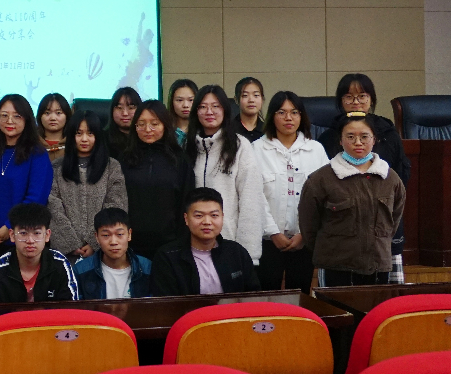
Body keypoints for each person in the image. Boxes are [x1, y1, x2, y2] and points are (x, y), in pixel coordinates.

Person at [317, 73, 411, 284]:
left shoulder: (388, 133)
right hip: (341, 231)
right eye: (349, 97)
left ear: (371, 99)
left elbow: (400, 181)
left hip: (382, 226)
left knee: (386, 296)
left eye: (362, 96)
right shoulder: (328, 137)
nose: (356, 102)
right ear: (340, 101)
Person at [300, 112, 406, 287]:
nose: (358, 142)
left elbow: (393, 222)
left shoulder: (390, 178)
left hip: (378, 265)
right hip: (336, 267)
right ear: (340, 141)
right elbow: (309, 228)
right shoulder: (321, 179)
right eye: (350, 137)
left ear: (374, 139)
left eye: (364, 136)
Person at [252, 92, 329, 292]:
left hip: (304, 240)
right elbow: (254, 195)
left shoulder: (316, 149)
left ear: (301, 116)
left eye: (294, 112)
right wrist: (273, 232)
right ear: (272, 116)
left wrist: (304, 233)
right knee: (267, 295)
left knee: (300, 295)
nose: (288, 118)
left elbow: (324, 196)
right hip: (267, 240)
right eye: (282, 112)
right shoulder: (256, 149)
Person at [185, 85, 265, 266]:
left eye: (216, 106)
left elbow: (251, 202)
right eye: (203, 107)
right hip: (192, 247)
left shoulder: (240, 146)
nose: (209, 112)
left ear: (225, 110)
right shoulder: (187, 147)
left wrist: (248, 255)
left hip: (229, 245)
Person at [0, 95, 54, 268]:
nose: (9, 121)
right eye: (4, 115)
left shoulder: (38, 155)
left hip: (24, 239)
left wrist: (10, 226)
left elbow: (36, 198)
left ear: (27, 119)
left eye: (17, 116)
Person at [118, 100, 194, 259]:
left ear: (165, 125)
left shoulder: (179, 159)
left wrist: (182, 242)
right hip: (131, 244)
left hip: (171, 244)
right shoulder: (125, 159)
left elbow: (186, 203)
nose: (147, 129)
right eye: (141, 124)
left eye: (154, 124)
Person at [151, 188, 260, 296]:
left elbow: (254, 295)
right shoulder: (167, 257)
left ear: (222, 217)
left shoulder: (236, 252)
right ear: (186, 219)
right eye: (199, 216)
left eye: (214, 215)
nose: (207, 222)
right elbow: (166, 303)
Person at [49, 110, 128, 259]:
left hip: (103, 251)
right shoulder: (56, 167)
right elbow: (54, 207)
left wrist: (94, 242)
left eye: (90, 133)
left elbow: (116, 205)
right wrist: (71, 243)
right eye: (78, 133)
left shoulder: (112, 166)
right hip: (66, 253)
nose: (84, 139)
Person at [0, 203, 78, 303]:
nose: (30, 240)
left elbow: (71, 309)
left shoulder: (60, 263)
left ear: (47, 235)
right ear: (12, 235)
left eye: (37, 233)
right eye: (23, 233)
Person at [73, 208, 152, 299]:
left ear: (129, 234)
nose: (113, 242)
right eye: (106, 235)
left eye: (120, 234)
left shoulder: (147, 268)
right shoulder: (80, 271)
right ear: (97, 237)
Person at [106, 87, 142, 157]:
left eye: (131, 108)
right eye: (119, 108)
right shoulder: (102, 140)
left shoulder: (146, 138)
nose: (125, 113)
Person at [37, 93, 71, 163]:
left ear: (67, 116)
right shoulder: (31, 144)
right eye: (47, 113)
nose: (53, 118)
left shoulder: (75, 144)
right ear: (40, 116)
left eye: (58, 113)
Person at [167, 79, 198, 147]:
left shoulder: (203, 131)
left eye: (191, 100)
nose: (185, 105)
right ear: (172, 102)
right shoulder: (165, 131)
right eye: (179, 100)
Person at [235, 77, 265, 143]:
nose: (251, 100)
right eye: (245, 95)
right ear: (236, 100)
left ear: (262, 99)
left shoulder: (268, 131)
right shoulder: (227, 130)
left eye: (256, 95)